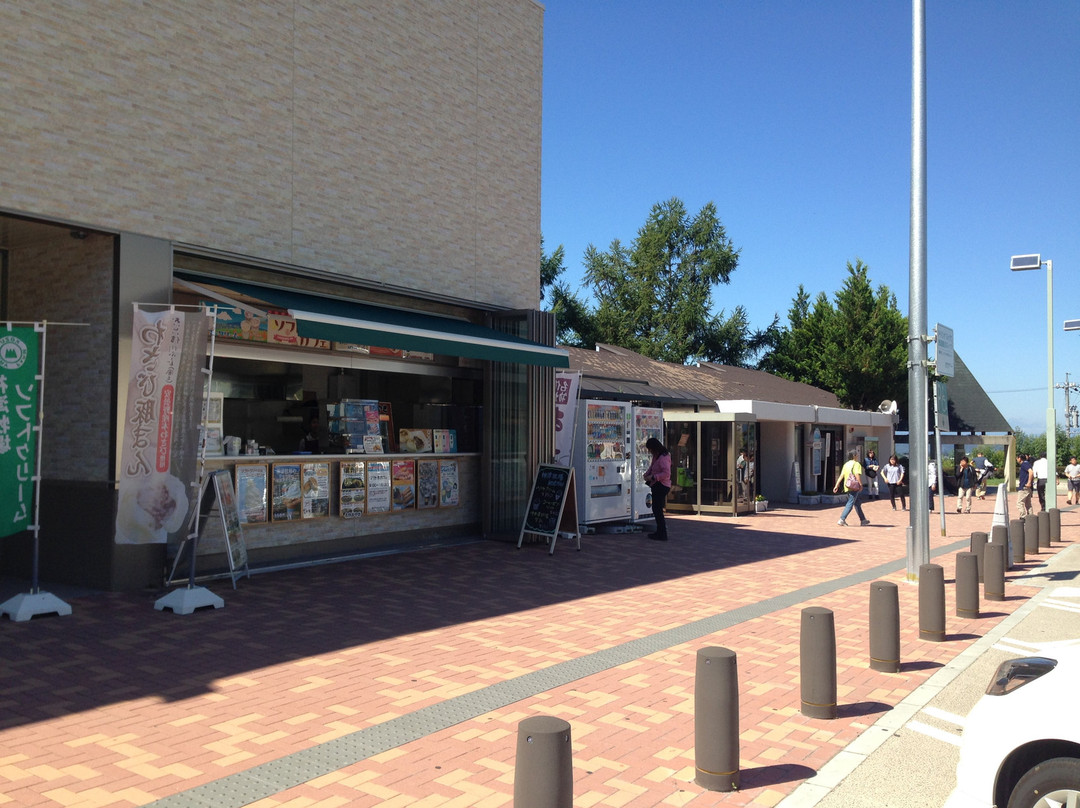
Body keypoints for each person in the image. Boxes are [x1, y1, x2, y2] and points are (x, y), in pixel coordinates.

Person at [643, 437, 671, 541]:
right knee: (656, 509)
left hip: (662, 485)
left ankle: (662, 533)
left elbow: (666, 473)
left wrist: (654, 477)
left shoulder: (663, 458)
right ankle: (660, 532)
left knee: (657, 509)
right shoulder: (657, 456)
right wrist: (647, 474)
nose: (649, 451)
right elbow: (652, 467)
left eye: (650, 449)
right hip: (657, 484)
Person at [833, 449, 869, 526]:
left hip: (847, 486)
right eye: (857, 455)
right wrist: (860, 484)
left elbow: (841, 476)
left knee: (857, 503)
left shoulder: (846, 464)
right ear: (854, 456)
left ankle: (863, 520)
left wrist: (837, 485)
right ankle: (842, 519)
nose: (858, 456)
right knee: (850, 503)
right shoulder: (856, 464)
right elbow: (857, 474)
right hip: (854, 486)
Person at [1017, 453, 1035, 518]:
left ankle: (1023, 516)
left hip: (1024, 486)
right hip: (1027, 487)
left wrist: (1029, 482)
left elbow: (1031, 472)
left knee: (1019, 503)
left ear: (1020, 458)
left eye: (1017, 458)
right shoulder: (1028, 464)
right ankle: (1031, 517)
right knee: (1028, 504)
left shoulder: (1024, 464)